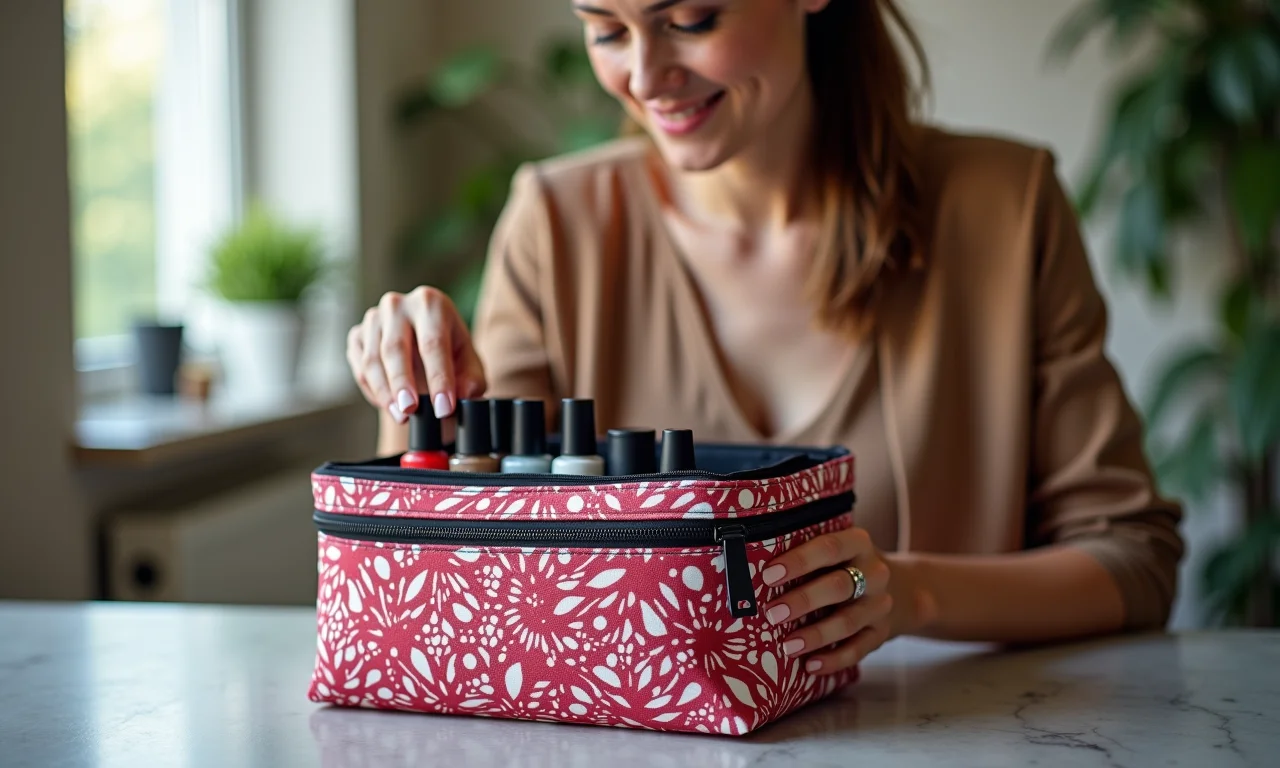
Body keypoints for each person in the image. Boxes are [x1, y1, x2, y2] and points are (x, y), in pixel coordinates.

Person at [345, 0, 1185, 675]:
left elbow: (1133, 561)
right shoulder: (556, 221)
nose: (645, 77)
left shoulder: (1006, 206)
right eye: (605, 30)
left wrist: (910, 592)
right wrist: (419, 393)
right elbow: (470, 571)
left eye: (691, 21)